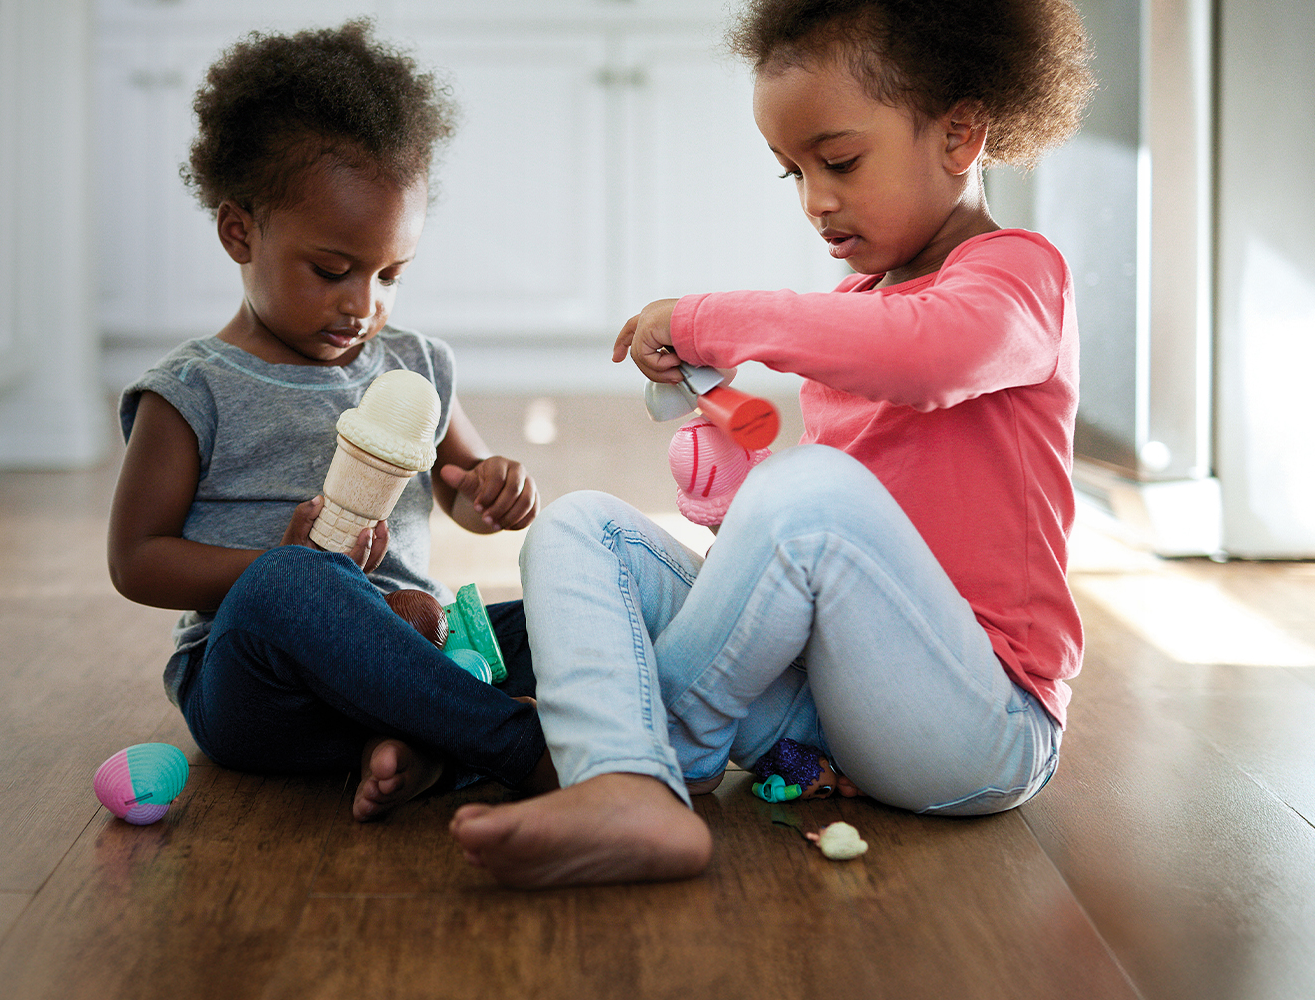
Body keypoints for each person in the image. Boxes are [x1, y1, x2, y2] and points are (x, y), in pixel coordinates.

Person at [450, 0, 1096, 886]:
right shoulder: (857, 310)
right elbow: (825, 568)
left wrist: (710, 321)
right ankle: (619, 777)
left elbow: (932, 356)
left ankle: (632, 756)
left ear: (961, 135)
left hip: (980, 729)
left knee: (810, 491)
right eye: (790, 172)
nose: (815, 200)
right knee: (579, 528)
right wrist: (733, 496)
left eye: (838, 161)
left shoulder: (1018, 276)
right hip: (828, 721)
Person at [108, 20, 548, 823]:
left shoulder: (414, 363)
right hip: (263, 691)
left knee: (571, 602)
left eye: (390, 274)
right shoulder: (191, 391)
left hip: (422, 646)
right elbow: (137, 562)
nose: (363, 304)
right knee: (293, 583)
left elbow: (460, 493)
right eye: (332, 271)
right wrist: (278, 561)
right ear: (240, 231)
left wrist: (492, 493)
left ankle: (422, 747)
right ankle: (511, 746)